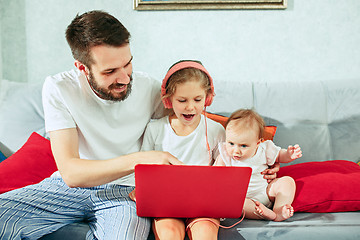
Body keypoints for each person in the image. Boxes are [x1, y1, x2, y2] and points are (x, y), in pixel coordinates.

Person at [0, 10, 280, 240]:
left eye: (128, 64)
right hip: (67, 189)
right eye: (110, 71)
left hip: (125, 194)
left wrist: (258, 154)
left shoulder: (147, 87)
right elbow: (71, 172)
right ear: (82, 68)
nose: (124, 78)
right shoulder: (59, 89)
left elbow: (193, 117)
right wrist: (143, 159)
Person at [130, 60, 225, 240]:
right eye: (182, 100)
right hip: (166, 202)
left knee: (204, 233)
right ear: (168, 100)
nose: (190, 107)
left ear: (208, 98)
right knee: (169, 234)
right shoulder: (155, 129)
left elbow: (224, 170)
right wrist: (140, 188)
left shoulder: (216, 130)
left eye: (198, 100)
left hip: (203, 203)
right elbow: (143, 168)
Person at [215, 109, 302, 222]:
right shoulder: (225, 155)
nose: (236, 151)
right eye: (231, 143)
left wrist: (289, 155)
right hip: (244, 199)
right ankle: (267, 215)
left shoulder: (264, 149)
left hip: (265, 191)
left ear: (257, 143)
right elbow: (216, 176)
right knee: (235, 204)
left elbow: (280, 155)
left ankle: (279, 210)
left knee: (287, 182)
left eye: (243, 146)